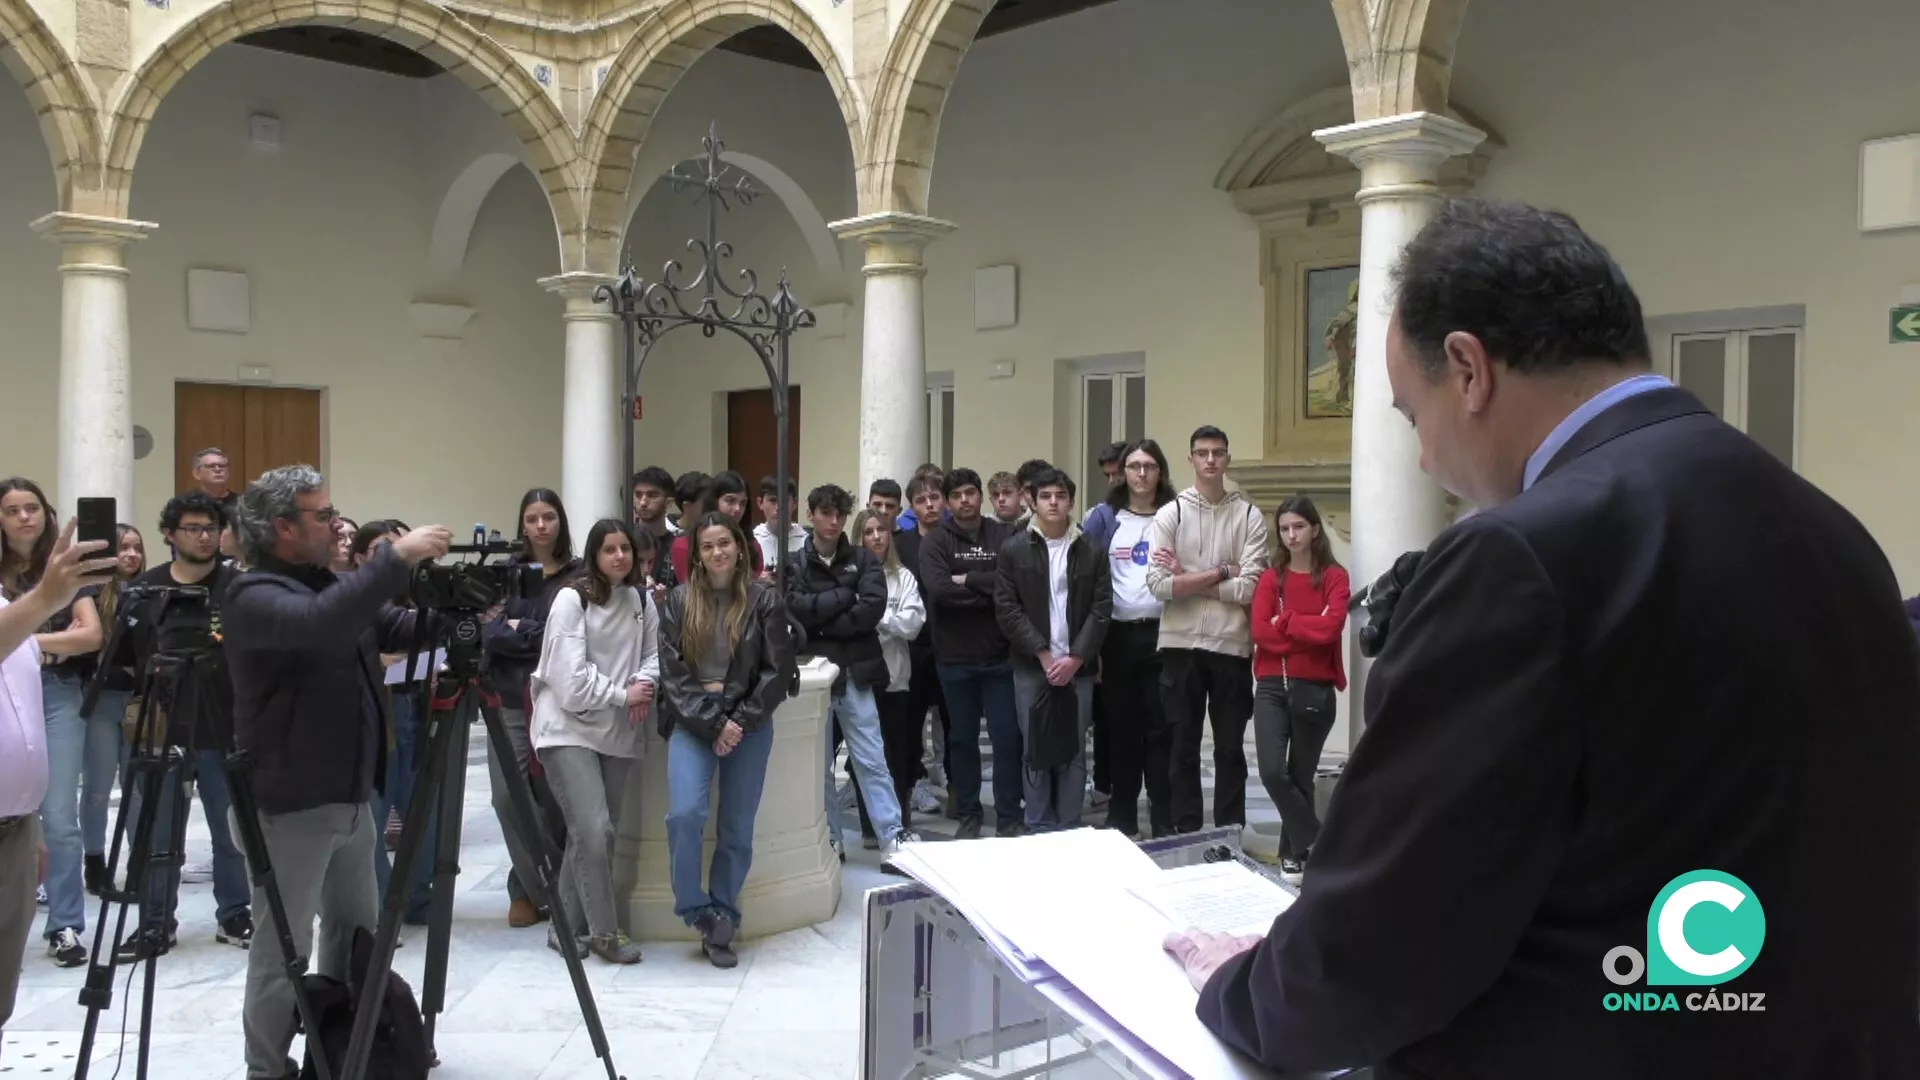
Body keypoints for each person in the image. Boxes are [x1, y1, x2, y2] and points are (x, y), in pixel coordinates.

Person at [1169, 198, 1920, 1078]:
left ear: (1468, 369)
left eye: (1414, 418)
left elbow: (1385, 946)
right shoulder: (1832, 530)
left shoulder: (1519, 557)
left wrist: (1241, 988)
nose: (1422, 462)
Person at [223, 465, 451, 1080]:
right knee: (283, 948)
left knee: (356, 939)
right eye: (322, 515)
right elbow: (319, 625)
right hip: (291, 804)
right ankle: (267, 1070)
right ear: (282, 528)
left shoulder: (325, 586)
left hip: (351, 795)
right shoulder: (254, 596)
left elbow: (388, 626)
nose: (335, 525)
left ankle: (344, 1053)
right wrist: (394, 558)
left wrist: (460, 618)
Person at [116, 492, 255, 956]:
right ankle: (155, 922)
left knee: (230, 831)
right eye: (192, 528)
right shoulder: (147, 590)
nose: (203, 536)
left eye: (211, 528)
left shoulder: (239, 586)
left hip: (225, 722)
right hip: (163, 725)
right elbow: (128, 658)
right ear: (170, 535)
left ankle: (235, 915)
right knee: (158, 834)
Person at [0, 520, 116, 1048]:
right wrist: (49, 597)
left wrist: (32, 828)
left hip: (14, 830)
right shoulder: (22, 613)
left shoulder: (8, 605)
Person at [659, 513, 792, 970]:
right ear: (696, 553)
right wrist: (714, 725)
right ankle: (695, 909)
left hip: (749, 724)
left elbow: (777, 672)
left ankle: (724, 916)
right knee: (685, 815)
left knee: (736, 826)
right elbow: (674, 676)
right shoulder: (677, 601)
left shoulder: (764, 599)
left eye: (724, 543)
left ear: (739, 547)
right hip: (694, 723)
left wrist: (738, 721)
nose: (717, 552)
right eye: (707, 545)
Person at [530, 520, 657, 965]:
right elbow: (570, 681)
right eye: (609, 550)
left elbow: (652, 654)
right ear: (593, 556)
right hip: (566, 726)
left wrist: (645, 679)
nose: (620, 557)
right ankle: (605, 933)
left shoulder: (642, 599)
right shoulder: (572, 599)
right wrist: (624, 695)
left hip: (617, 732)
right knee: (594, 829)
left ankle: (562, 927)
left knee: (593, 835)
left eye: (626, 548)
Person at [1145, 427, 1267, 834]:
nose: (1211, 460)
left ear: (1227, 459)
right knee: (1183, 746)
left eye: (1218, 453)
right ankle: (1186, 830)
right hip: (1180, 646)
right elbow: (1160, 585)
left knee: (1230, 748)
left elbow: (1251, 586)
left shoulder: (1249, 515)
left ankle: (1229, 832)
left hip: (1232, 645)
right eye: (1202, 453)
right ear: (1191, 459)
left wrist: (1189, 578)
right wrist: (1221, 572)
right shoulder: (1171, 514)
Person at [785, 485, 917, 858]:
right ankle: (832, 838)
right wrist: (845, 598)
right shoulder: (795, 561)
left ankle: (892, 834)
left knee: (871, 757)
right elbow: (794, 610)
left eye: (839, 514)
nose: (833, 521)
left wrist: (821, 621)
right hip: (812, 675)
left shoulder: (864, 558)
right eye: (825, 513)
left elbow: (872, 610)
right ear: (810, 515)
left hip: (856, 671)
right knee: (819, 764)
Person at [482, 487, 583, 929]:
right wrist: (529, 632)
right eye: (532, 519)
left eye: (548, 517)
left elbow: (567, 638)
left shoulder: (579, 576)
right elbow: (487, 630)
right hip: (508, 698)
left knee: (553, 800)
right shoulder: (506, 572)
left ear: (560, 521)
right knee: (508, 797)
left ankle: (522, 889)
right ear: (522, 524)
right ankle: (556, 886)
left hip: (559, 700)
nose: (541, 526)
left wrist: (519, 630)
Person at [993, 467, 1111, 832]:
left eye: (1060, 496)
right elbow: (1007, 608)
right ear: (1033, 501)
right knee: (1035, 750)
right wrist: (1044, 655)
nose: (1054, 502)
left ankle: (1070, 825)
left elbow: (1101, 607)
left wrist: (1076, 658)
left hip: (1078, 669)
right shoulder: (1014, 549)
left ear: (1072, 501)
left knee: (1073, 750)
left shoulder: (1090, 549)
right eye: (1045, 496)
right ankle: (1039, 825)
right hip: (1032, 668)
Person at [1248, 495, 1348, 886]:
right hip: (1272, 686)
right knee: (1273, 771)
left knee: (1300, 775)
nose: (1291, 535)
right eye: (1285, 529)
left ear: (1315, 530)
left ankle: (1293, 855)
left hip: (1316, 689)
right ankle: (1321, 841)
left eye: (1299, 527)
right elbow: (1260, 633)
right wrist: (1306, 628)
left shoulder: (1334, 577)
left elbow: (1331, 628)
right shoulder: (1272, 578)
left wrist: (1286, 621)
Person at [1081, 438, 1176, 838]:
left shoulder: (1176, 515)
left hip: (1163, 633)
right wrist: (1093, 647)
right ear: (1123, 472)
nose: (1141, 473)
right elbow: (1087, 580)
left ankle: (1163, 816)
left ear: (1160, 472)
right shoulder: (1103, 518)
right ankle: (1122, 816)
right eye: (1134, 466)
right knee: (1120, 729)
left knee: (1161, 729)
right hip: (1117, 635)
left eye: (1149, 466)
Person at [921, 468, 1022, 838]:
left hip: (1000, 657)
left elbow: (1013, 584)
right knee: (961, 740)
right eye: (957, 495)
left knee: (1007, 738)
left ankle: (1009, 815)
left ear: (981, 496)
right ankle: (969, 814)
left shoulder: (1005, 534)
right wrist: (990, 592)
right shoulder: (935, 542)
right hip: (954, 658)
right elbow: (939, 591)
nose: (964, 500)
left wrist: (969, 580)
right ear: (947, 502)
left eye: (970, 493)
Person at [854, 508, 926, 836]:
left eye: (881, 530)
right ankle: (871, 828)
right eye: (868, 531)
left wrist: (876, 620)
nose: (876, 537)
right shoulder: (848, 575)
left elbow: (912, 625)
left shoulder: (904, 577)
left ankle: (897, 825)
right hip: (859, 681)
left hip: (896, 679)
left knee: (897, 754)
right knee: (867, 758)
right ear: (859, 538)